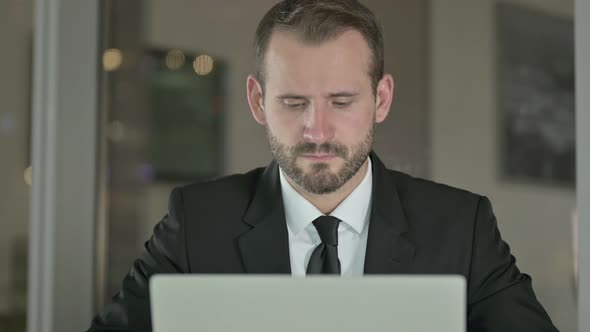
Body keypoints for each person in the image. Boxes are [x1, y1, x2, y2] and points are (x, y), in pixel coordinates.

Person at [88, 0, 558, 331]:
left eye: (340, 101)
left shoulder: (462, 228)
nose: (317, 131)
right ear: (257, 101)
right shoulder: (194, 222)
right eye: (294, 102)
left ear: (382, 99)